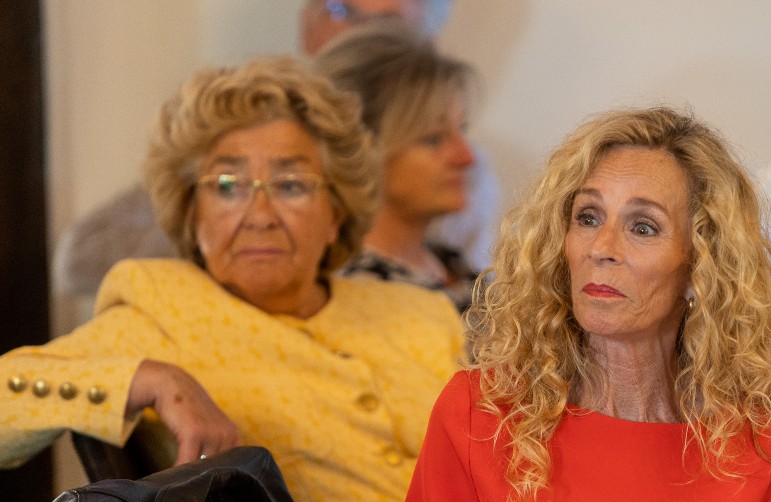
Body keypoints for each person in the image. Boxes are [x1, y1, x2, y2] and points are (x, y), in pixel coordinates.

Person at [0, 56, 464, 502]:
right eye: (226, 186)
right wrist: (147, 378)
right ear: (191, 215)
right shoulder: (162, 305)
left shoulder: (419, 311)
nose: (260, 215)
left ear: (336, 213)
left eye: (291, 185)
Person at [389, 106, 771, 502]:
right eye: (588, 217)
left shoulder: (761, 455)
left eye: (643, 227)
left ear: (701, 267)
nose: (601, 247)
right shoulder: (482, 411)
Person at [54, 0, 498, 329]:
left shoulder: (464, 224)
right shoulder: (220, 133)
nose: (261, 215)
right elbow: (79, 259)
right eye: (341, 10)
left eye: (292, 186)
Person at [315, 19, 480, 312]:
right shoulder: (356, 293)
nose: (466, 157)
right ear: (362, 150)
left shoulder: (451, 264)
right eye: (434, 139)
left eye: (462, 130)